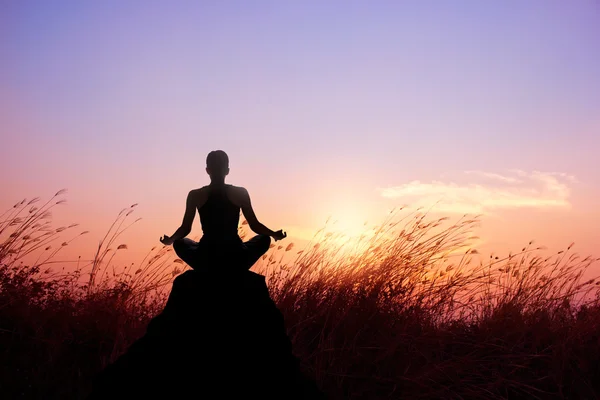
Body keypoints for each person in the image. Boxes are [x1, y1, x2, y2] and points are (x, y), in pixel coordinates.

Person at [159, 150, 287, 272]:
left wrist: (171, 240)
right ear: (227, 171)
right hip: (235, 253)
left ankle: (207, 269)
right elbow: (254, 225)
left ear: (207, 170)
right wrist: (273, 234)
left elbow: (185, 228)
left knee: (179, 243)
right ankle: (236, 268)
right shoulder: (240, 192)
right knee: (264, 239)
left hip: (207, 254)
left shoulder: (195, 195)